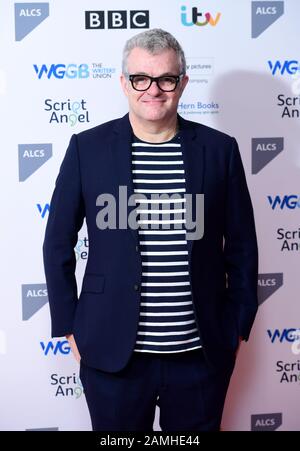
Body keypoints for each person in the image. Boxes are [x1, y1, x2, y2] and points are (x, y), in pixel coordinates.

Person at [43, 28, 258, 431]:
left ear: (183, 83)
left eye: (166, 79)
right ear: (124, 83)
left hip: (200, 357)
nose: (153, 90)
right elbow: (57, 243)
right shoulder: (86, 149)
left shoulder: (219, 149)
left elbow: (243, 246)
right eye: (141, 78)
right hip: (111, 356)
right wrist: (69, 327)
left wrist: (238, 325)